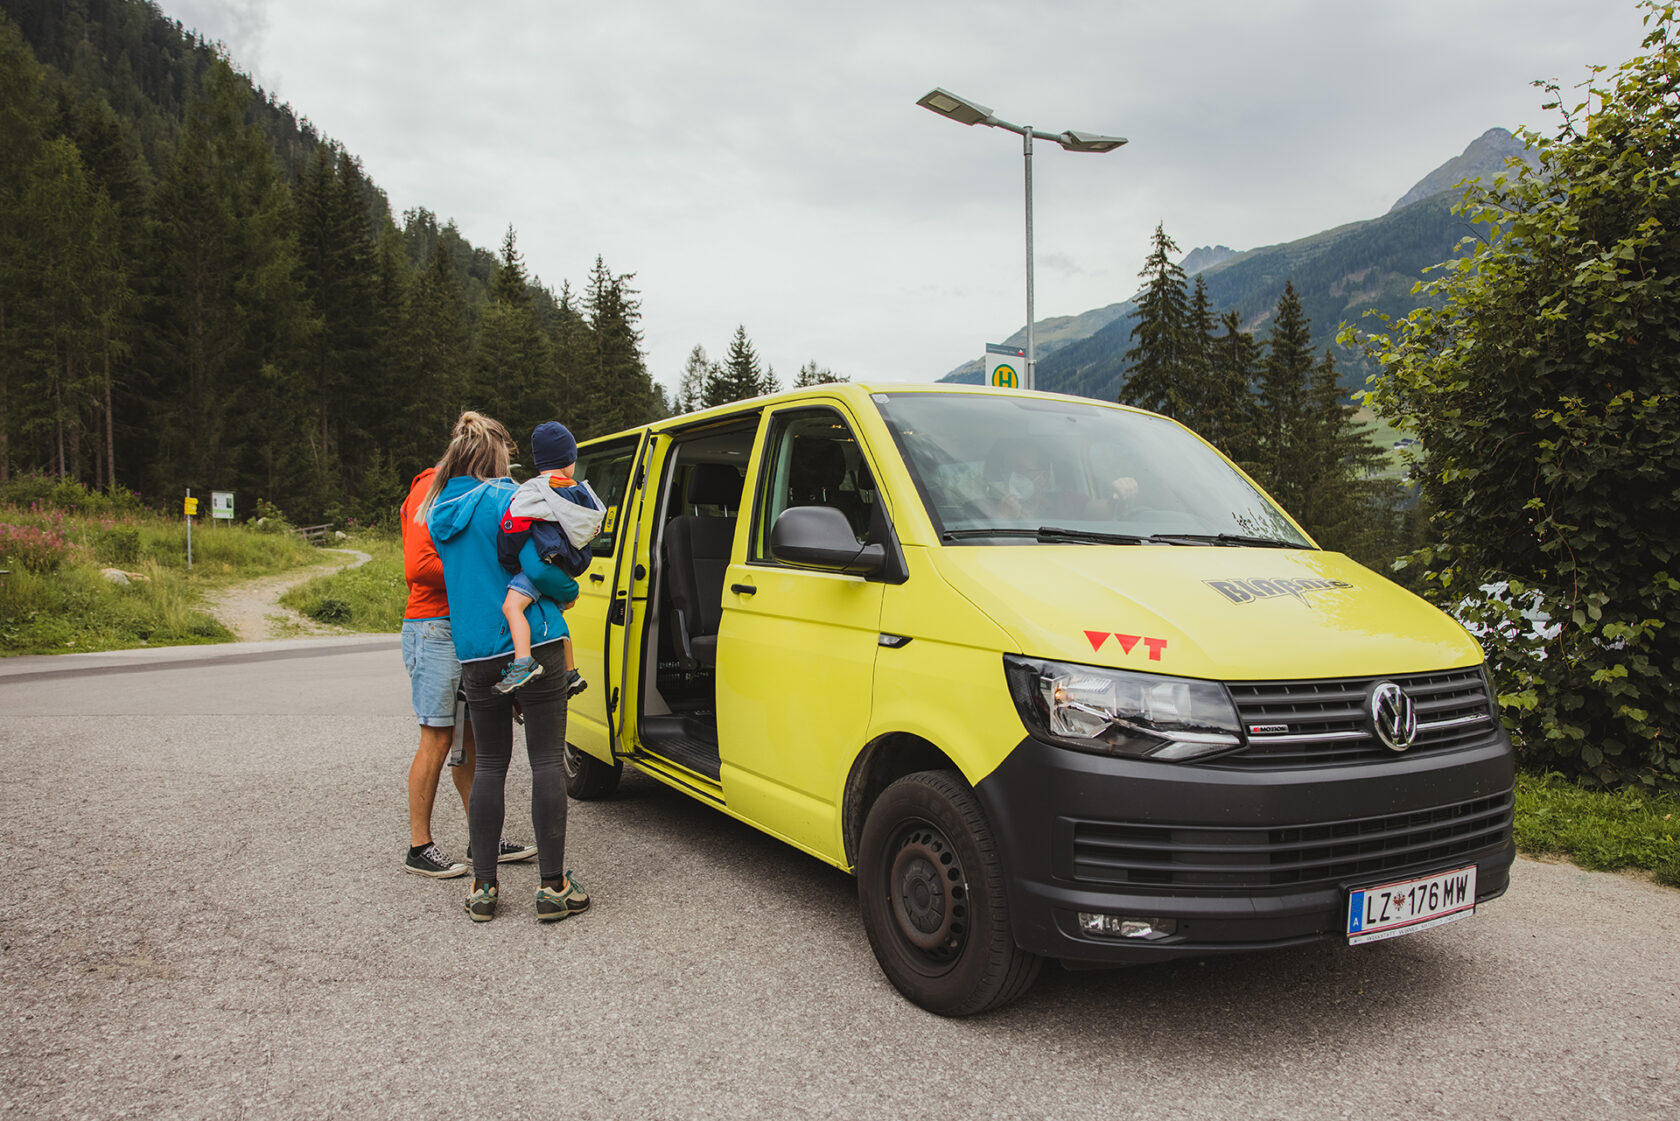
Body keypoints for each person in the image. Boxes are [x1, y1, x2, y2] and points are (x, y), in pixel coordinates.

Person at [420, 411, 590, 924]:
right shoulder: (509, 499)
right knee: (543, 760)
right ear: (494, 456)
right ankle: (553, 888)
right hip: (533, 642)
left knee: (490, 763)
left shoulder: (438, 511)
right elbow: (539, 567)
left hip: (475, 652)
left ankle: (483, 887)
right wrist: (570, 591)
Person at [399, 455, 537, 877]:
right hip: (433, 626)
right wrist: (477, 571)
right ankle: (418, 847)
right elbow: (418, 566)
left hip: (462, 626)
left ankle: (484, 839)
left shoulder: (469, 490)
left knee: (471, 740)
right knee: (437, 738)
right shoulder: (432, 489)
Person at [493, 421, 604, 696]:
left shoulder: (533, 492)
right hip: (568, 564)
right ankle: (570, 672)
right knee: (557, 612)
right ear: (570, 460)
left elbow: (512, 527)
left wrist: (509, 560)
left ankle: (523, 662)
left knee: (511, 607)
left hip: (544, 562)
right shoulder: (580, 493)